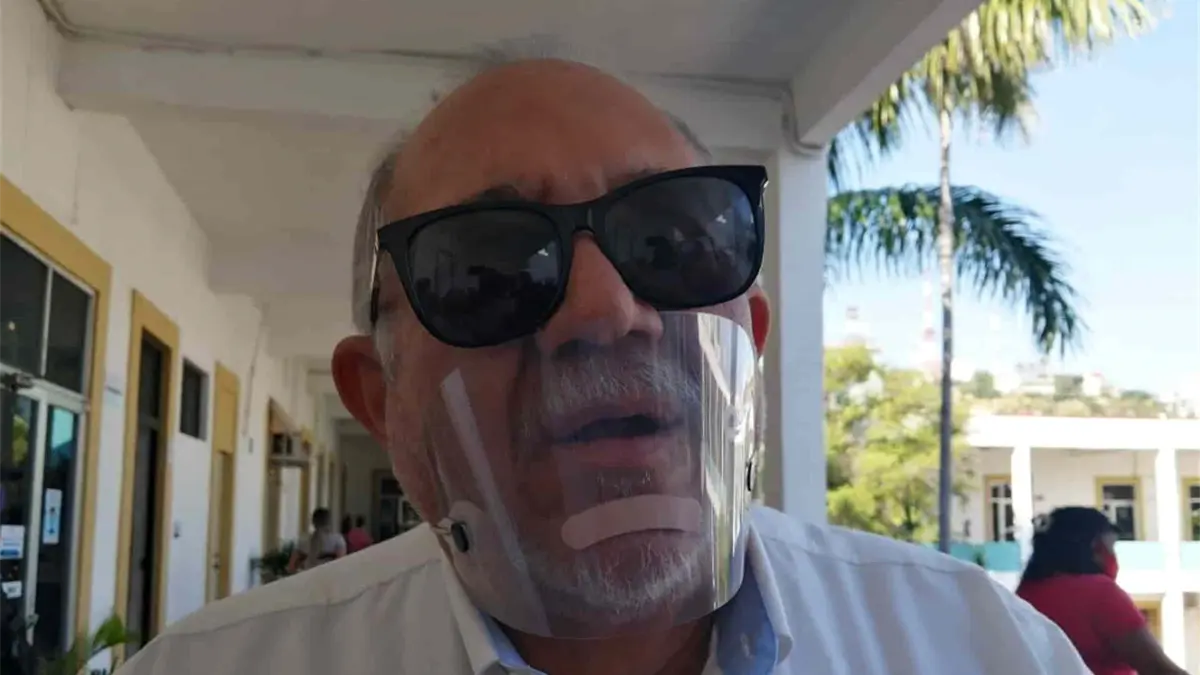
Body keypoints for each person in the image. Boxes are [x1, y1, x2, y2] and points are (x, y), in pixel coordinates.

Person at [116, 58, 1091, 675]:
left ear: (749, 336)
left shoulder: (982, 649)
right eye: (487, 267)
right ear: (382, 399)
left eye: (671, 241)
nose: (603, 310)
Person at [1016, 507, 1188, 675]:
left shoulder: (1024, 594)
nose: (1113, 556)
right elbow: (1157, 668)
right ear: (1095, 547)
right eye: (1111, 547)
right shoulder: (1099, 593)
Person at [287, 507, 347, 573]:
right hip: (328, 575)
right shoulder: (337, 540)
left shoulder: (304, 540)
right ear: (329, 522)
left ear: (313, 522)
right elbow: (340, 563)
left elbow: (291, 566)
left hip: (309, 575)